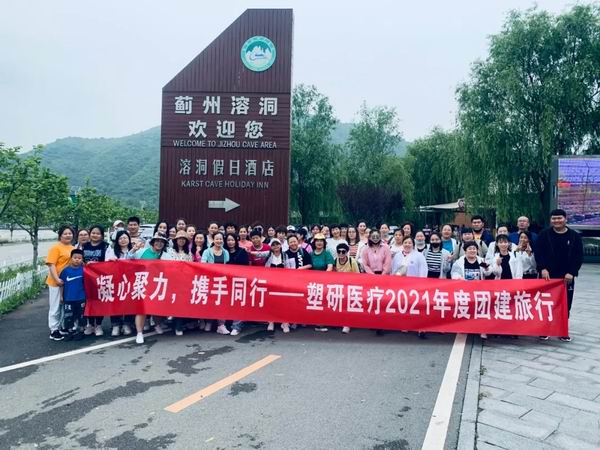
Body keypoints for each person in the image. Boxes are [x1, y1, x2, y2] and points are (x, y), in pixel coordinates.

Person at [535, 209, 583, 342]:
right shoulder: (544, 234)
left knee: (565, 304)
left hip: (566, 278)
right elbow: (538, 253)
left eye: (559, 218)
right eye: (554, 218)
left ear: (565, 219)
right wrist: (542, 268)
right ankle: (544, 329)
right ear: (551, 220)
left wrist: (572, 272)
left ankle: (563, 330)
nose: (556, 221)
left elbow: (578, 256)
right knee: (545, 303)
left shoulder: (574, 236)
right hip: (547, 277)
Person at [130, 233, 173, 344]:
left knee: (157, 306)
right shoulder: (142, 252)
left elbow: (172, 269)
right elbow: (129, 260)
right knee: (141, 308)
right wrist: (133, 250)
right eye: (157, 241)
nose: (159, 243)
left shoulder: (166, 256)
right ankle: (139, 333)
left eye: (162, 242)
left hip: (158, 284)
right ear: (153, 242)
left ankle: (157, 324)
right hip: (142, 283)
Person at [451, 241, 494, 339]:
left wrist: (487, 269)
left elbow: (488, 272)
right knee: (465, 309)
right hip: (465, 291)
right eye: (469, 249)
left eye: (474, 249)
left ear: (477, 250)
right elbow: (454, 274)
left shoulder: (481, 261)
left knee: (480, 310)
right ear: (465, 251)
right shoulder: (460, 262)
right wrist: (460, 279)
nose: (472, 251)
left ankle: (482, 329)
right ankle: (463, 327)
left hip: (479, 291)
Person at [46, 226, 75, 341]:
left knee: (64, 306)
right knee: (55, 306)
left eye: (70, 233)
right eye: (65, 233)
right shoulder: (55, 248)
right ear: (60, 236)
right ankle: (54, 330)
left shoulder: (73, 248)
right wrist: (57, 279)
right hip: (56, 282)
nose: (68, 235)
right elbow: (51, 264)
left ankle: (63, 326)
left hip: (68, 282)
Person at [105, 230, 134, 337]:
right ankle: (115, 325)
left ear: (129, 239)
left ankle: (127, 324)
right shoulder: (111, 251)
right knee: (115, 302)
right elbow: (105, 264)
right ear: (117, 240)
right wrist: (110, 260)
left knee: (129, 303)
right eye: (120, 238)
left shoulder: (133, 251)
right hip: (116, 281)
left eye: (125, 238)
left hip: (130, 281)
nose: (123, 240)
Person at [201, 232, 230, 335]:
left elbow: (228, 266)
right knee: (210, 303)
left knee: (221, 303)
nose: (219, 241)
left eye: (220, 239)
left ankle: (221, 325)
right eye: (217, 239)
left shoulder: (225, 252)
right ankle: (208, 322)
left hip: (221, 281)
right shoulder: (207, 251)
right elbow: (203, 264)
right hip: (210, 280)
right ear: (213, 240)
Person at [82, 225, 109, 336]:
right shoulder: (84, 246)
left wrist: (96, 264)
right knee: (88, 300)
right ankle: (90, 324)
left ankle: (98, 325)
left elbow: (108, 262)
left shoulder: (106, 246)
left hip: (100, 278)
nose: (95, 235)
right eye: (93, 233)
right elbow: (79, 259)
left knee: (99, 301)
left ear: (102, 235)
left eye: (98, 233)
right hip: (86, 278)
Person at [265, 239, 291, 333]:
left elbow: (288, 268)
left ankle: (285, 322)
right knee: (271, 303)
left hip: (283, 283)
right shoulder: (269, 256)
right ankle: (271, 321)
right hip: (271, 283)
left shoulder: (285, 255)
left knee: (284, 303)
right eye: (273, 245)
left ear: (280, 246)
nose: (276, 247)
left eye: (277, 244)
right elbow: (266, 269)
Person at [59, 249, 86, 341]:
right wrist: (61, 296)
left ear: (82, 259)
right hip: (68, 298)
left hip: (81, 298)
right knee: (68, 316)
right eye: (75, 258)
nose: (77, 260)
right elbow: (61, 284)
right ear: (71, 258)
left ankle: (81, 331)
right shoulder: (65, 271)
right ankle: (69, 331)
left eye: (79, 258)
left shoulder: (84, 270)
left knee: (81, 315)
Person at [334, 242, 360, 334]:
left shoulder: (352, 261)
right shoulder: (335, 261)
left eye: (343, 252)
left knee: (347, 306)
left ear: (347, 252)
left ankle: (347, 324)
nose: (341, 253)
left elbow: (358, 275)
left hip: (350, 287)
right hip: (338, 287)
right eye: (339, 251)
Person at [310, 233, 333, 332]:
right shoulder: (311, 254)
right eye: (317, 241)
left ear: (324, 243)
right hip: (312, 283)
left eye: (321, 241)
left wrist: (323, 278)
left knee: (323, 302)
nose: (319, 243)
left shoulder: (327, 253)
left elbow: (330, 267)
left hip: (324, 282)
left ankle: (323, 322)